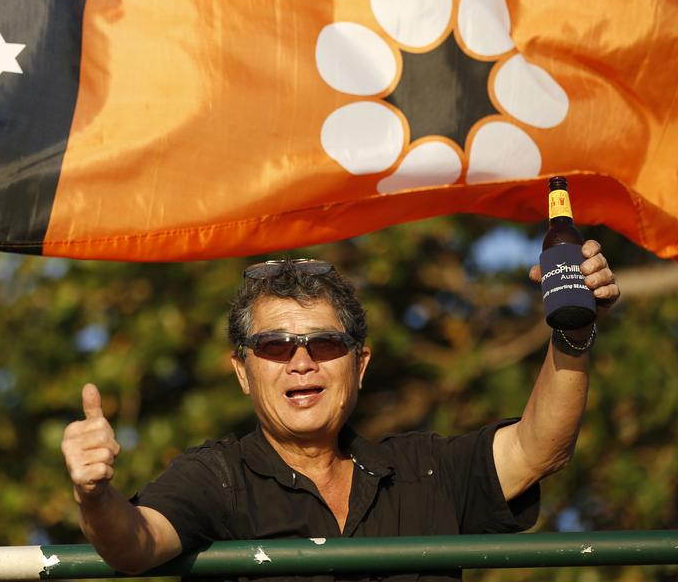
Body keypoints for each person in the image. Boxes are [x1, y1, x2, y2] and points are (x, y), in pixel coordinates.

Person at [61, 243, 619, 580]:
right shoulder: (216, 478)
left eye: (324, 344)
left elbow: (539, 449)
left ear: (360, 364)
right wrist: (95, 494)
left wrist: (573, 331)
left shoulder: (425, 468)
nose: (300, 362)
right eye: (275, 346)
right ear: (241, 372)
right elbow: (134, 542)